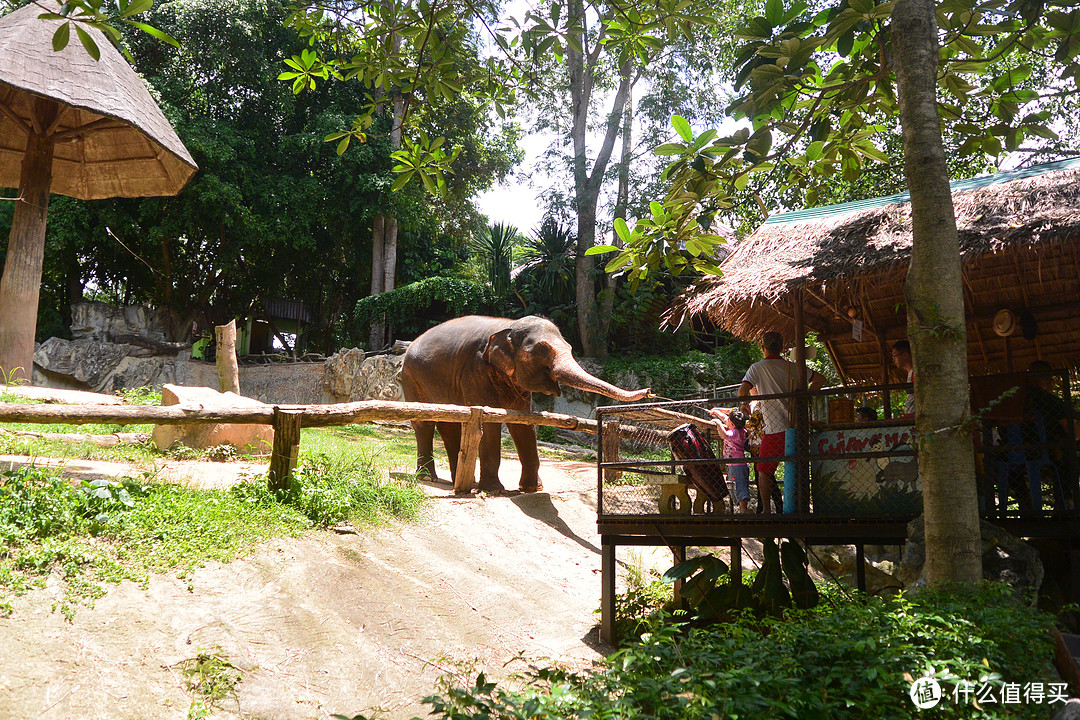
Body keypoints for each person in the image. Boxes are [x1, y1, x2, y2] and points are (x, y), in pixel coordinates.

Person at [738, 331, 826, 513]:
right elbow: (820, 379)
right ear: (781, 348)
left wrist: (744, 403)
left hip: (774, 428)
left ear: (763, 348)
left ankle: (767, 511)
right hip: (797, 427)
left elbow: (742, 390)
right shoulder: (793, 367)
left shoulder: (757, 368)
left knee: (763, 470)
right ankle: (800, 508)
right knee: (798, 465)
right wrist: (806, 396)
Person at [708, 407, 750, 513]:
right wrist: (716, 412)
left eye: (728, 422)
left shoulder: (735, 433)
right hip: (734, 465)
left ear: (732, 425)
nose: (726, 422)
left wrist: (718, 424)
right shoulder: (739, 429)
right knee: (735, 486)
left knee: (740, 486)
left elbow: (724, 435)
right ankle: (742, 509)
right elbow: (725, 418)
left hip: (737, 466)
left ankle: (744, 510)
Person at [891, 340, 915, 418]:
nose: (894, 359)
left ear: (905, 355)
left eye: (895, 355)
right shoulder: (910, 374)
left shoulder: (915, 374)